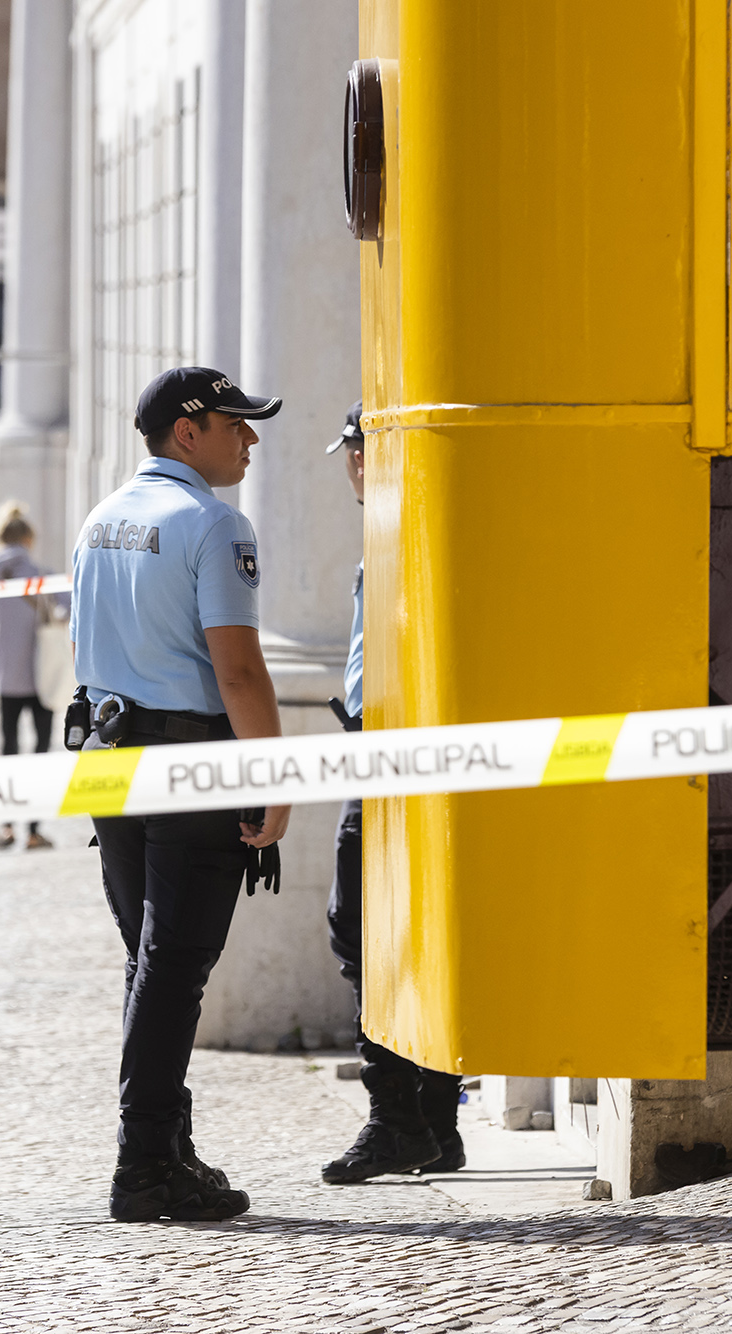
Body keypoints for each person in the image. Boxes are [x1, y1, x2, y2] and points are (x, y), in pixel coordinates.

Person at [69, 365, 287, 1224]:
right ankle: (147, 1162)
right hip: (187, 764)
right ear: (188, 432)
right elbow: (237, 667)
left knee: (149, 962)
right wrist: (274, 774)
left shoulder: (100, 520)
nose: (251, 438)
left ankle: (165, 1147)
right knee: (173, 967)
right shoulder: (212, 523)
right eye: (237, 422)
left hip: (104, 751)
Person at [319, 402, 467, 1184]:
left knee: (361, 930)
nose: (347, 465)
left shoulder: (402, 531)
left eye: (351, 450)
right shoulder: (399, 526)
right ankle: (434, 1121)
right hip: (392, 749)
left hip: (391, 755)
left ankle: (396, 1119)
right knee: (408, 931)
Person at [0, 502, 66, 850]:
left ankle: (5, 826)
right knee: (41, 749)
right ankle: (33, 828)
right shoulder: (40, 573)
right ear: (28, 538)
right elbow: (68, 609)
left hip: (6, 671)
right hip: (42, 672)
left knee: (8, 749)